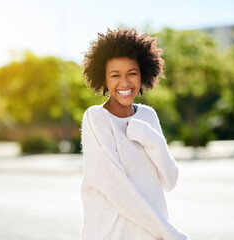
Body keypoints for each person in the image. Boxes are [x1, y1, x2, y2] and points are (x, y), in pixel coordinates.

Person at [80, 28, 187, 240]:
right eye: (115, 75)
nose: (125, 83)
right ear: (104, 78)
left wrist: (152, 140)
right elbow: (118, 189)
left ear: (143, 73)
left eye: (132, 73)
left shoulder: (148, 116)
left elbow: (170, 180)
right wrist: (168, 232)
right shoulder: (96, 118)